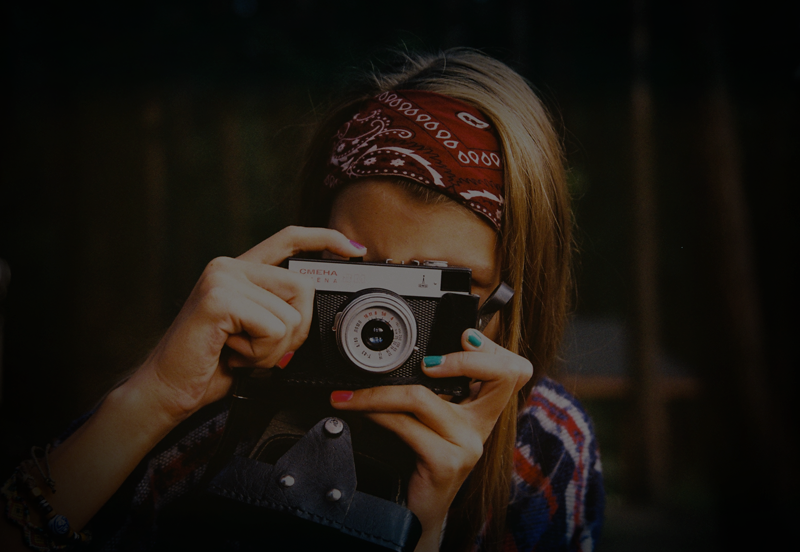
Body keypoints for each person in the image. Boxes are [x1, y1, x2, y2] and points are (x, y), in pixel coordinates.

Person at [1, 49, 604, 551]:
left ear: (513, 293)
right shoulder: (214, 407)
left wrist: (423, 533)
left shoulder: (542, 448)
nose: (383, 321)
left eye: (445, 286)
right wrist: (153, 399)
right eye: (357, 270)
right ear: (310, 251)